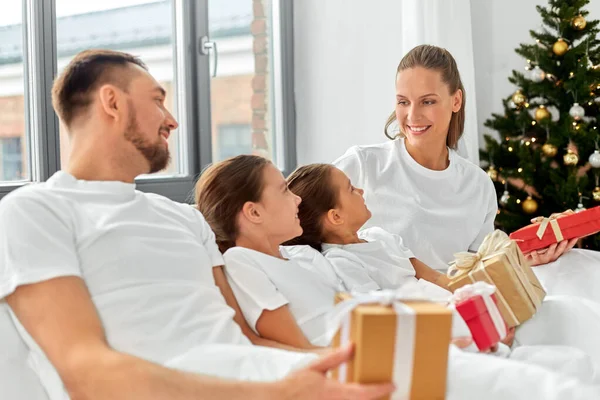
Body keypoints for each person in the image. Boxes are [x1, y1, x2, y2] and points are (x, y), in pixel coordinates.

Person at [0, 49, 396, 400]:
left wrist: (333, 362)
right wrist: (274, 393)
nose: (171, 121)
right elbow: (87, 374)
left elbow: (247, 339)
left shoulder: (183, 217)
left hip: (257, 377)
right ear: (112, 102)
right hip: (216, 390)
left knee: (426, 374)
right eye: (157, 101)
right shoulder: (36, 212)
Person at [194, 155, 600, 398]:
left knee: (574, 355)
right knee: (562, 375)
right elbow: (297, 346)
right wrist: (430, 342)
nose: (296, 199)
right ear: (253, 212)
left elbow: (353, 300)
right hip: (374, 356)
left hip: (397, 330)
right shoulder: (244, 264)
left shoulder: (299, 255)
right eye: (283, 190)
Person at [332, 44, 600, 304]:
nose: (412, 115)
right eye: (403, 102)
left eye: (427, 101)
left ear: (456, 100)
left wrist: (529, 257)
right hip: (379, 309)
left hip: (452, 309)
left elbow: (482, 269)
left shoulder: (477, 185)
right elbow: (304, 226)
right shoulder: (363, 165)